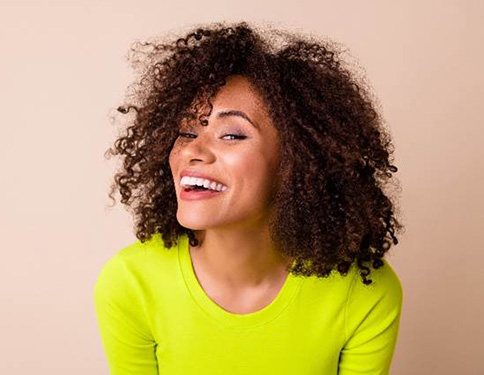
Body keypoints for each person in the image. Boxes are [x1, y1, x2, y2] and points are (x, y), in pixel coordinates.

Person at [93, 20, 404, 374]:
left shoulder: (365, 293)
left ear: (295, 162)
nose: (193, 150)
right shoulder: (131, 282)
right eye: (186, 131)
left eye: (231, 135)